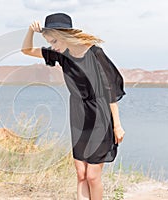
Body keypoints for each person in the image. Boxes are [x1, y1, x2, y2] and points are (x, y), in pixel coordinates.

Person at [21, 13, 126, 200]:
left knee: (93, 176)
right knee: (81, 174)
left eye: (54, 41)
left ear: (64, 35)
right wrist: (30, 31)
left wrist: (117, 125)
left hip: (100, 116)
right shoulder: (61, 55)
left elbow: (110, 89)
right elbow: (26, 50)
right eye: (50, 42)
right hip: (78, 115)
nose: (53, 46)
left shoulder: (95, 53)